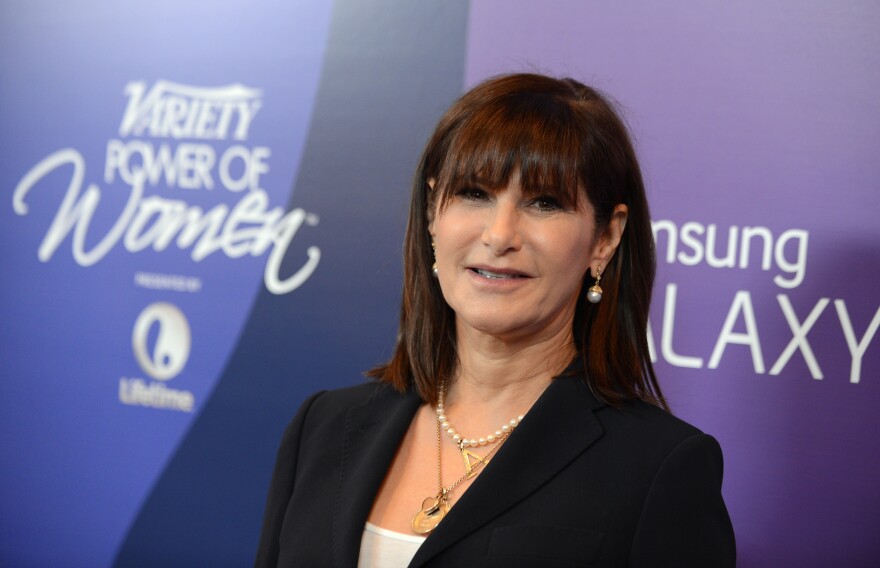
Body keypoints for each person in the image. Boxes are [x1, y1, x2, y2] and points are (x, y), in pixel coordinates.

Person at [255, 73, 736, 567]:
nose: (500, 234)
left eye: (544, 203)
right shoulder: (324, 427)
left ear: (604, 239)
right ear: (430, 213)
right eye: (474, 193)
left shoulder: (657, 469)